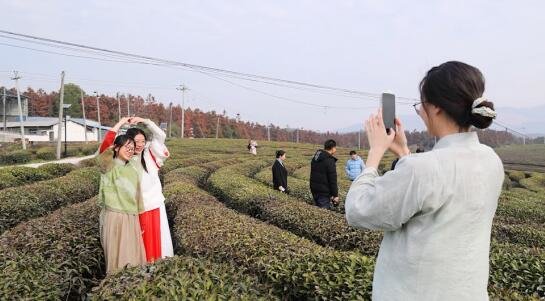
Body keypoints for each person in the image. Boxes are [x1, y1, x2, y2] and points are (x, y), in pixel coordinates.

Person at [345, 61, 504, 300]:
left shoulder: (422, 169)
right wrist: (404, 153)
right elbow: (437, 187)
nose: (421, 112)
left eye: (421, 104)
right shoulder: (492, 161)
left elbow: (358, 210)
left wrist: (375, 152)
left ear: (436, 107)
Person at [97, 117, 146, 274]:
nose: (130, 150)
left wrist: (141, 221)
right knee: (116, 256)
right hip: (115, 215)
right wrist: (121, 123)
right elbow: (105, 145)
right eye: (126, 147)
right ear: (116, 148)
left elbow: (138, 197)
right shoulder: (109, 165)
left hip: (131, 217)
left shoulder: (133, 167)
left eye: (132, 148)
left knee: (133, 256)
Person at [124, 117, 174, 263]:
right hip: (134, 208)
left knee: (158, 239)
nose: (139, 145)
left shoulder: (149, 154)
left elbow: (161, 136)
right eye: (136, 141)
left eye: (142, 141)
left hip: (154, 204)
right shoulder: (124, 158)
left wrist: (145, 121)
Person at [310, 139, 339, 209]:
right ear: (332, 148)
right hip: (323, 193)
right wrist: (335, 195)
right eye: (335, 148)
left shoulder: (316, 158)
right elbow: (332, 180)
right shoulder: (329, 161)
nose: (336, 149)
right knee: (323, 213)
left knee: (317, 212)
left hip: (314, 189)